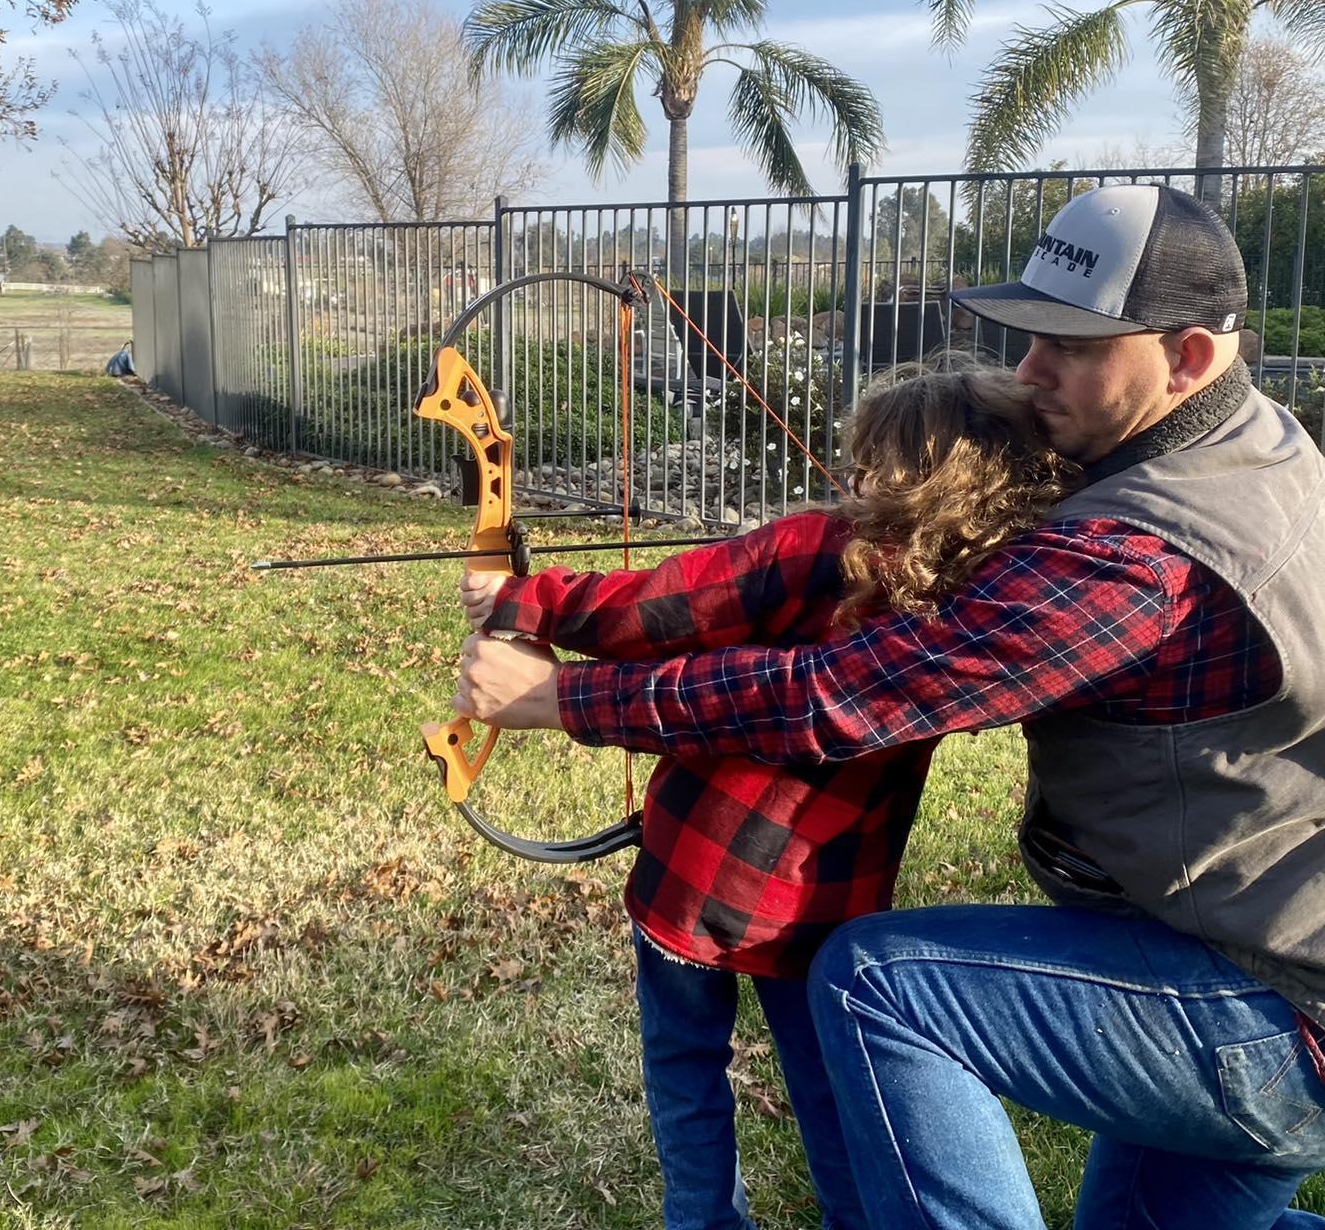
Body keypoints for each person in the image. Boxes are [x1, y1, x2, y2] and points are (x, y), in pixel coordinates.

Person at [455, 183, 1325, 1230]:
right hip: (1247, 953)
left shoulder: (1138, 559)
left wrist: (561, 695)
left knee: (877, 983)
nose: (1028, 371)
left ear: (1186, 357)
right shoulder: (1263, 446)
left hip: (1263, 1004)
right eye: (1029, 337)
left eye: (1071, 346)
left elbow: (835, 695)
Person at [462, 365, 1076, 1230]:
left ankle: (704, 1220)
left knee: (685, 1068)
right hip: (821, 903)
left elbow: (657, 608)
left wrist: (528, 598)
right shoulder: (969, 606)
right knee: (828, 1083)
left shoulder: (815, 549)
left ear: (889, 467)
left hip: (692, 877)